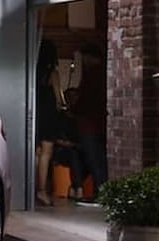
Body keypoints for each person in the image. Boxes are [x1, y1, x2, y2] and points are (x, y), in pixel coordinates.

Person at [68, 43, 108, 204]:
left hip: (89, 124)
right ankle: (101, 190)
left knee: (94, 160)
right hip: (98, 123)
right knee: (99, 159)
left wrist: (74, 110)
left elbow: (86, 100)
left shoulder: (92, 76)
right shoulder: (103, 74)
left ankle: (101, 192)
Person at [34, 39, 63, 206]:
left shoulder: (33, 72)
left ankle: (33, 188)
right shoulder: (52, 73)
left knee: (36, 153)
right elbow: (59, 99)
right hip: (48, 115)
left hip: (35, 114)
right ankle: (42, 191)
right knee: (46, 152)